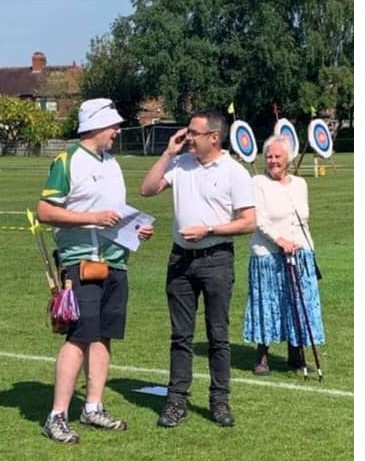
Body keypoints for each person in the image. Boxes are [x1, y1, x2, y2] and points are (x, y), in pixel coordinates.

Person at [37, 98, 154, 444]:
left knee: (103, 334)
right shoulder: (67, 160)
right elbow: (45, 211)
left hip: (116, 261)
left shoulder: (112, 163)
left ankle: (92, 407)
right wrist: (93, 217)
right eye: (114, 125)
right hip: (81, 262)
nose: (118, 131)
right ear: (96, 126)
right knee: (79, 335)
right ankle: (56, 415)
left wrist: (137, 230)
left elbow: (115, 213)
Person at [140, 109, 256, 428]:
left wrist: (210, 230)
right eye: (188, 131)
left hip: (216, 258)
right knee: (181, 335)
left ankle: (220, 401)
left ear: (214, 138)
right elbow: (146, 189)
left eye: (194, 132)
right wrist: (168, 151)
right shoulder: (180, 163)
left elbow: (249, 222)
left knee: (218, 335)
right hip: (180, 260)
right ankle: (176, 401)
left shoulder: (235, 172)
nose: (188, 135)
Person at [243, 134, 325, 376]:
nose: (272, 161)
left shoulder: (300, 184)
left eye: (277, 156)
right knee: (268, 303)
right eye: (269, 156)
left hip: (300, 254)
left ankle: (295, 352)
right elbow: (259, 219)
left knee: (299, 304)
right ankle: (262, 357)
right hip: (268, 255)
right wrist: (279, 241)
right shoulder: (257, 182)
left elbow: (303, 221)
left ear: (288, 159)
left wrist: (306, 248)